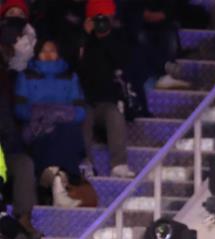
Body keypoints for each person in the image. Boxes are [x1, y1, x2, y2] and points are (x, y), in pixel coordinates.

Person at [14, 38, 86, 208]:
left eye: (52, 50)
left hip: (64, 127)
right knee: (52, 134)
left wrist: (58, 115)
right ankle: (59, 185)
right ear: (37, 53)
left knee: (66, 132)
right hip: (37, 129)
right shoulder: (26, 76)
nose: (47, 54)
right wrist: (45, 114)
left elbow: (80, 111)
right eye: (43, 51)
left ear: (58, 53)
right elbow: (20, 110)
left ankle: (55, 179)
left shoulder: (70, 77)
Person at [79, 0, 135, 178]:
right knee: (83, 118)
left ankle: (119, 165)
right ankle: (86, 163)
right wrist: (85, 36)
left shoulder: (119, 38)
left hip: (108, 101)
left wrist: (107, 36)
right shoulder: (84, 39)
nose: (102, 22)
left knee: (115, 116)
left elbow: (123, 60)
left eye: (106, 18)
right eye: (98, 18)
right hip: (85, 100)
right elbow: (76, 66)